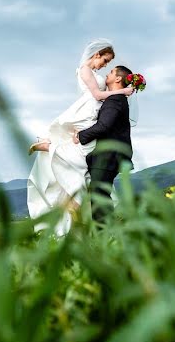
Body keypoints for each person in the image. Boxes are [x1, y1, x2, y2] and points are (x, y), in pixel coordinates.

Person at [27, 40, 134, 234]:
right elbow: (96, 94)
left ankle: (50, 147)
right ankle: (49, 147)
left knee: (80, 166)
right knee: (78, 160)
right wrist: (123, 91)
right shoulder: (86, 70)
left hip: (93, 114)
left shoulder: (108, 91)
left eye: (109, 65)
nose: (105, 66)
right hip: (89, 110)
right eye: (105, 61)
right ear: (97, 54)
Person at [74, 65, 134, 224]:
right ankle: (107, 233)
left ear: (118, 79)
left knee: (99, 195)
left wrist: (81, 136)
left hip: (109, 155)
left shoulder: (115, 100)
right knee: (99, 193)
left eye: (111, 72)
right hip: (109, 154)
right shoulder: (118, 99)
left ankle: (105, 235)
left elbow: (104, 126)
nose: (107, 74)